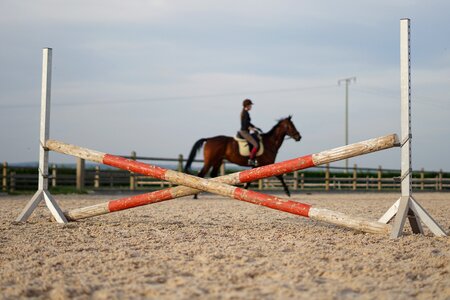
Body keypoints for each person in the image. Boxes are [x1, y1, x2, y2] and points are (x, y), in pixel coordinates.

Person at [239, 99, 262, 166]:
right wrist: (253, 129)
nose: (251, 107)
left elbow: (248, 123)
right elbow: (246, 124)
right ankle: (251, 160)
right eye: (250, 105)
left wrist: (255, 127)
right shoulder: (245, 113)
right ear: (247, 105)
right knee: (256, 145)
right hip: (244, 132)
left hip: (245, 131)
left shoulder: (244, 112)